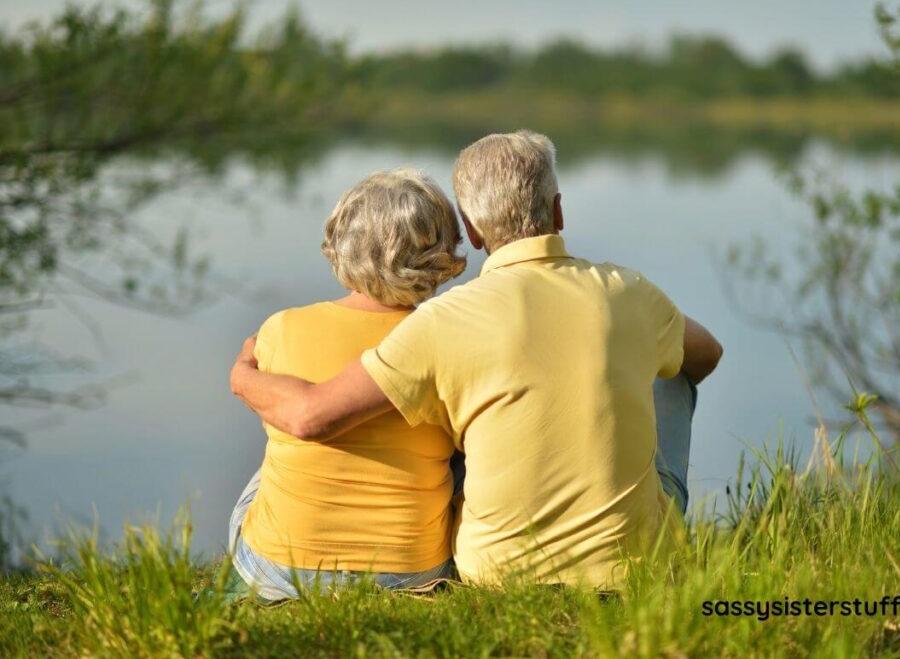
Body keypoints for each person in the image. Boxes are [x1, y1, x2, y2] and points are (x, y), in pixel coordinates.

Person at [231, 130, 723, 588]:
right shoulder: (630, 291)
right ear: (558, 211)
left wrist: (242, 375)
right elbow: (708, 354)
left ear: (472, 227)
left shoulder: (446, 321)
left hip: (496, 569)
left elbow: (309, 415)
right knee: (671, 373)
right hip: (634, 565)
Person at [227, 168, 467, 600]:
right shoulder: (447, 340)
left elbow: (275, 408)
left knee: (274, 451)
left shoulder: (282, 328)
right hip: (412, 572)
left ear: (341, 242)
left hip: (281, 569)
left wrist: (242, 374)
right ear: (439, 254)